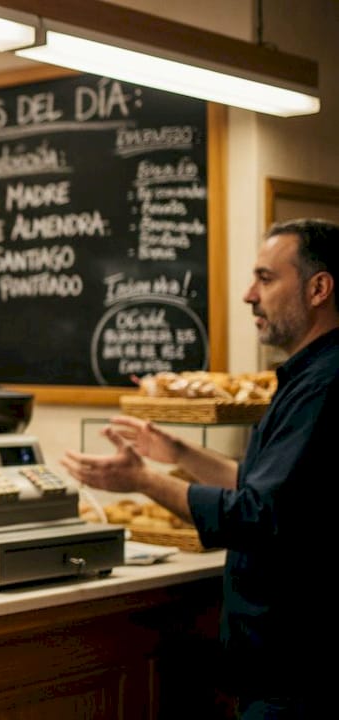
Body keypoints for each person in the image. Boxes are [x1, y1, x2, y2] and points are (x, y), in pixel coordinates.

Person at [62, 218, 339, 718]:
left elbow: (256, 513)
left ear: (319, 288)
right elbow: (267, 485)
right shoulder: (308, 374)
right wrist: (178, 453)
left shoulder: (324, 385)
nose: (248, 295)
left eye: (266, 278)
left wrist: (140, 480)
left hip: (299, 679)